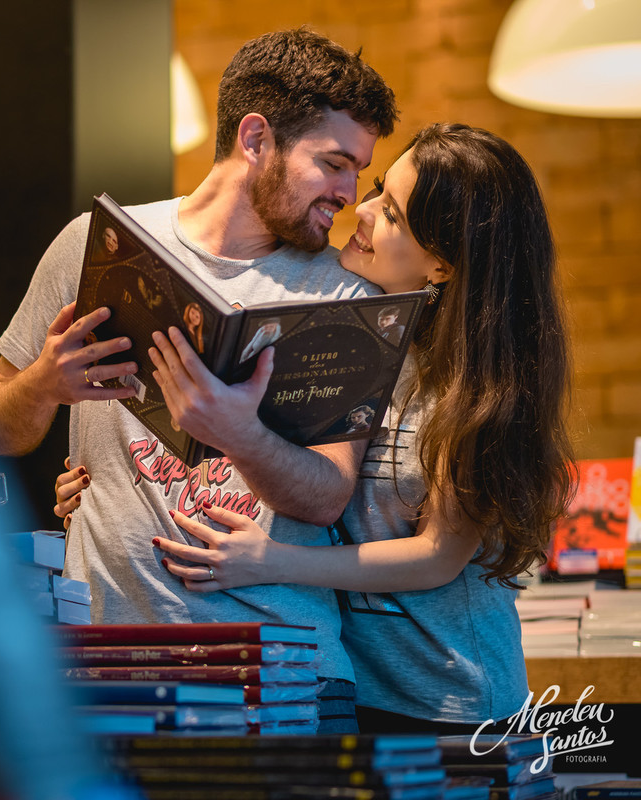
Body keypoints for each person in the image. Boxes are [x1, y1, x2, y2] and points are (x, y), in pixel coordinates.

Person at [0, 27, 398, 734]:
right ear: (256, 138)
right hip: (104, 671)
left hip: (284, 677)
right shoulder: (95, 246)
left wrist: (237, 433)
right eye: (333, 163)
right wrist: (44, 383)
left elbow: (328, 495)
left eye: (358, 170)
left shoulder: (344, 297)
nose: (350, 194)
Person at [144, 123, 574, 733]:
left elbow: (433, 559)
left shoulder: (475, 390)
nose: (362, 211)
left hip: (453, 704)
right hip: (358, 689)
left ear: (442, 265)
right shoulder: (367, 346)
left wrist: (271, 561)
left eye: (392, 213)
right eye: (377, 190)